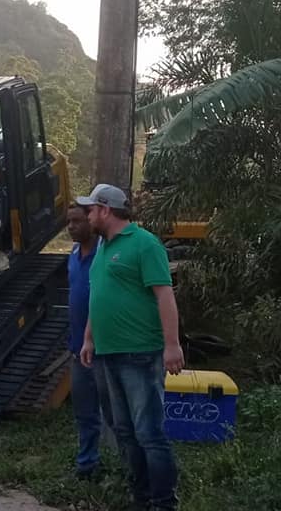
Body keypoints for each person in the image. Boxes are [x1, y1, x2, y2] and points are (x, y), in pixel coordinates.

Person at [77, 183, 183, 511]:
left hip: (139, 353)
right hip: (106, 354)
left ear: (106, 210)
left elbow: (164, 295)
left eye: (91, 209)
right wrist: (89, 338)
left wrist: (172, 345)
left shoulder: (144, 243)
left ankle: (163, 503)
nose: (87, 215)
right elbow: (99, 297)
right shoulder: (103, 248)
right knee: (124, 431)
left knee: (149, 432)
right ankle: (141, 497)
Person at [65, 203, 115, 480]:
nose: (71, 227)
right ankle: (87, 465)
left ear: (91, 221)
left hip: (105, 348)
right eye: (68, 222)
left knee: (115, 413)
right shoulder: (73, 254)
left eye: (77, 221)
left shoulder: (105, 255)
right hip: (78, 350)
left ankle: (125, 466)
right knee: (84, 413)